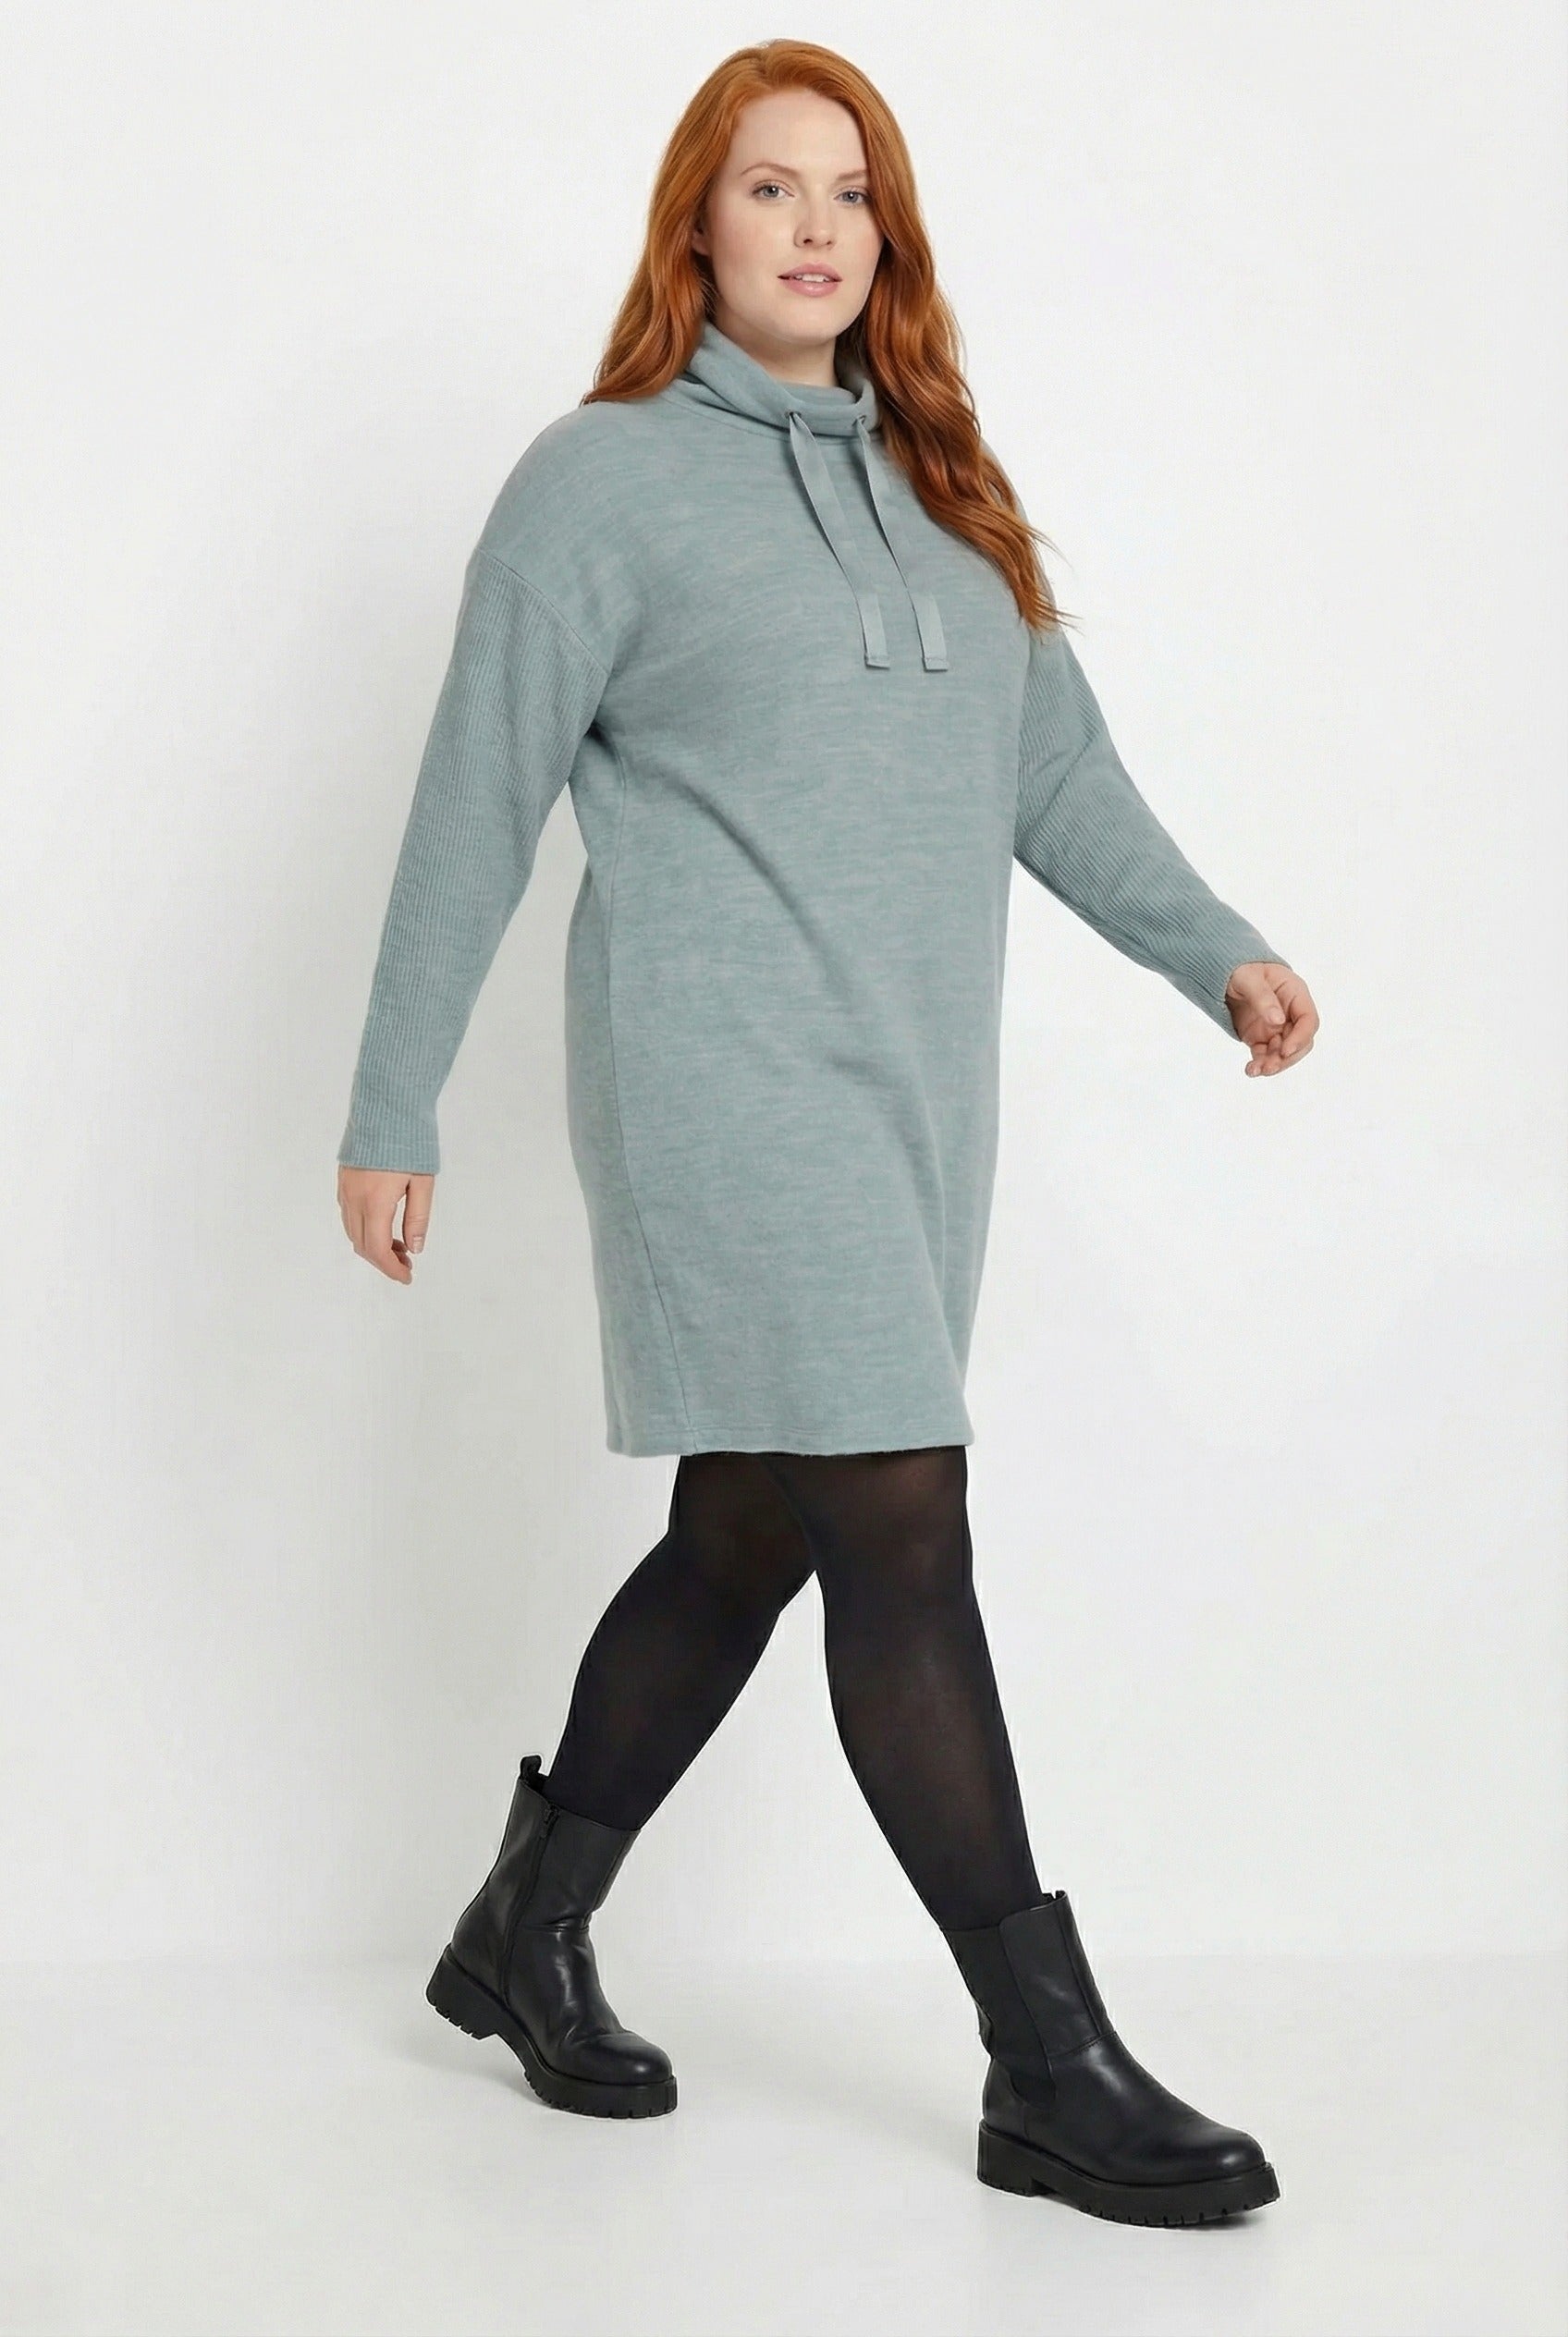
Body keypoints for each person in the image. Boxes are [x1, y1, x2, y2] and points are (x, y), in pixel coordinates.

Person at [336, 41, 1317, 2227]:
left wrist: (1215, 949)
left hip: (908, 1096)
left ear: (888, 240)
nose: (811, 225)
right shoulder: (596, 483)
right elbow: (475, 793)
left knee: (743, 1535)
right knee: (896, 1515)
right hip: (717, 1085)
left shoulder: (944, 492)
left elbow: (1056, 777)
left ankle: (522, 1924)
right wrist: (392, 1101)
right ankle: (1043, 2062)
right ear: (693, 228)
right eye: (767, 186)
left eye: (848, 193)